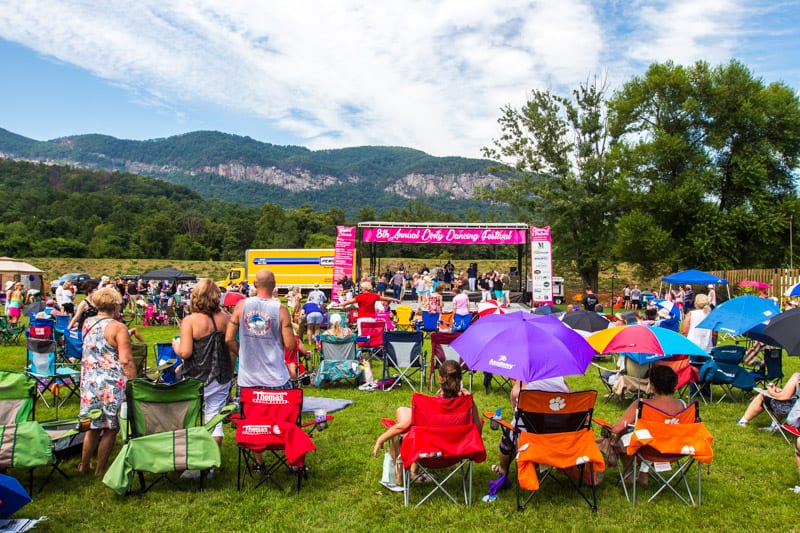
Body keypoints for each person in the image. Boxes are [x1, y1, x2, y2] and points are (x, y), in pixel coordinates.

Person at [226, 269, 296, 472]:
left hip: (248, 379)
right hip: (276, 378)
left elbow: (229, 339)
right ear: (274, 285)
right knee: (283, 421)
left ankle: (259, 463)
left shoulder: (241, 306)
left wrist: (243, 355)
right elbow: (290, 345)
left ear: (255, 285)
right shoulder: (281, 310)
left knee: (252, 422)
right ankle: (288, 459)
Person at [372, 360, 471, 487]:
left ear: (440, 378)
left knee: (404, 420)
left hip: (426, 454)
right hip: (455, 453)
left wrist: (380, 439)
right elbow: (476, 430)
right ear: (460, 379)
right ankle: (412, 471)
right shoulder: (467, 403)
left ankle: (400, 473)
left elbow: (402, 427)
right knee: (403, 411)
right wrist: (467, 398)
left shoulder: (430, 405)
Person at [77, 287, 137, 476]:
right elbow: (126, 360)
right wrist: (135, 383)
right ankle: (101, 469)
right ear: (115, 304)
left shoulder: (87, 323)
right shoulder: (118, 328)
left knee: (93, 426)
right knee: (111, 428)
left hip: (90, 382)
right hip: (112, 384)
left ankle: (84, 464)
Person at [172, 279, 233, 455]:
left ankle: (187, 456)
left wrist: (176, 346)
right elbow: (231, 349)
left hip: (194, 378)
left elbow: (185, 353)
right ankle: (212, 460)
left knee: (186, 418)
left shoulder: (190, 320)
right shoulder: (226, 319)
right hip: (221, 375)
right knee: (215, 419)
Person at [607, 365, 684, 485]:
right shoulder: (683, 406)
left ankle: (629, 476)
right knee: (649, 435)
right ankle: (643, 475)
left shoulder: (642, 405)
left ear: (652, 385)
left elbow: (617, 428)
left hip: (647, 449)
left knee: (621, 439)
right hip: (676, 448)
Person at [334, 281, 399, 333]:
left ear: (364, 288)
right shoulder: (374, 296)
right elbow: (385, 298)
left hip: (362, 318)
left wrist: (338, 305)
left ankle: (362, 347)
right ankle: (370, 347)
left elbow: (349, 302)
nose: (361, 289)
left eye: (362, 288)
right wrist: (395, 299)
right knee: (370, 334)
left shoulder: (360, 297)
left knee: (361, 334)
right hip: (371, 318)